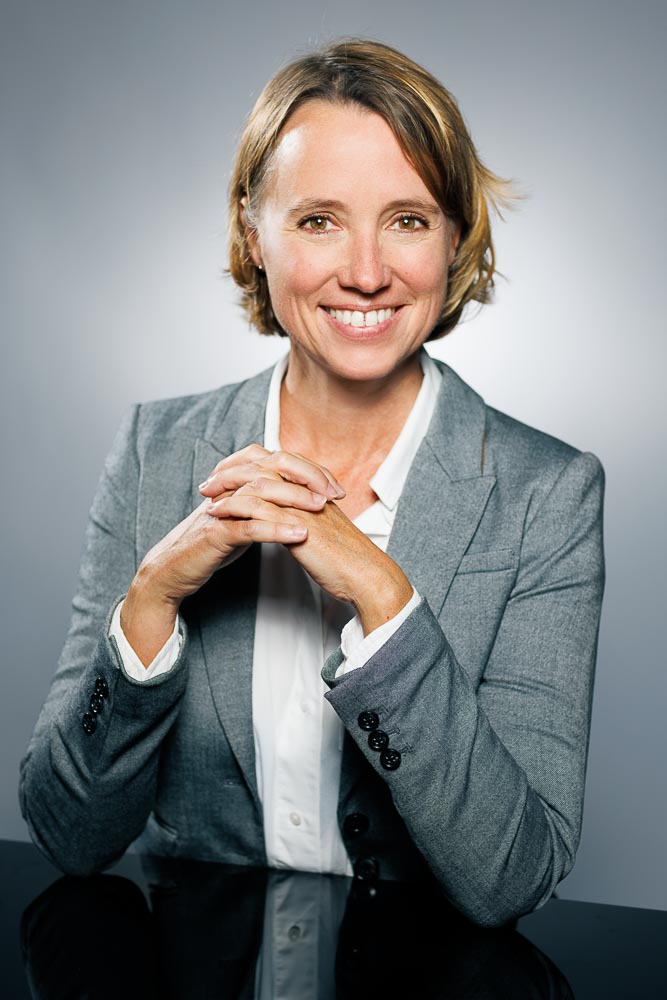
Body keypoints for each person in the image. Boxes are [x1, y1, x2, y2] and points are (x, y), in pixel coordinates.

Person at [19, 38, 605, 928]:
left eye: (407, 219)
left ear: (455, 236)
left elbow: (513, 879)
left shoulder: (547, 495)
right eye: (318, 220)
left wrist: (384, 600)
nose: (366, 273)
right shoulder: (153, 451)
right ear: (252, 233)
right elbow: (70, 835)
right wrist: (150, 603)